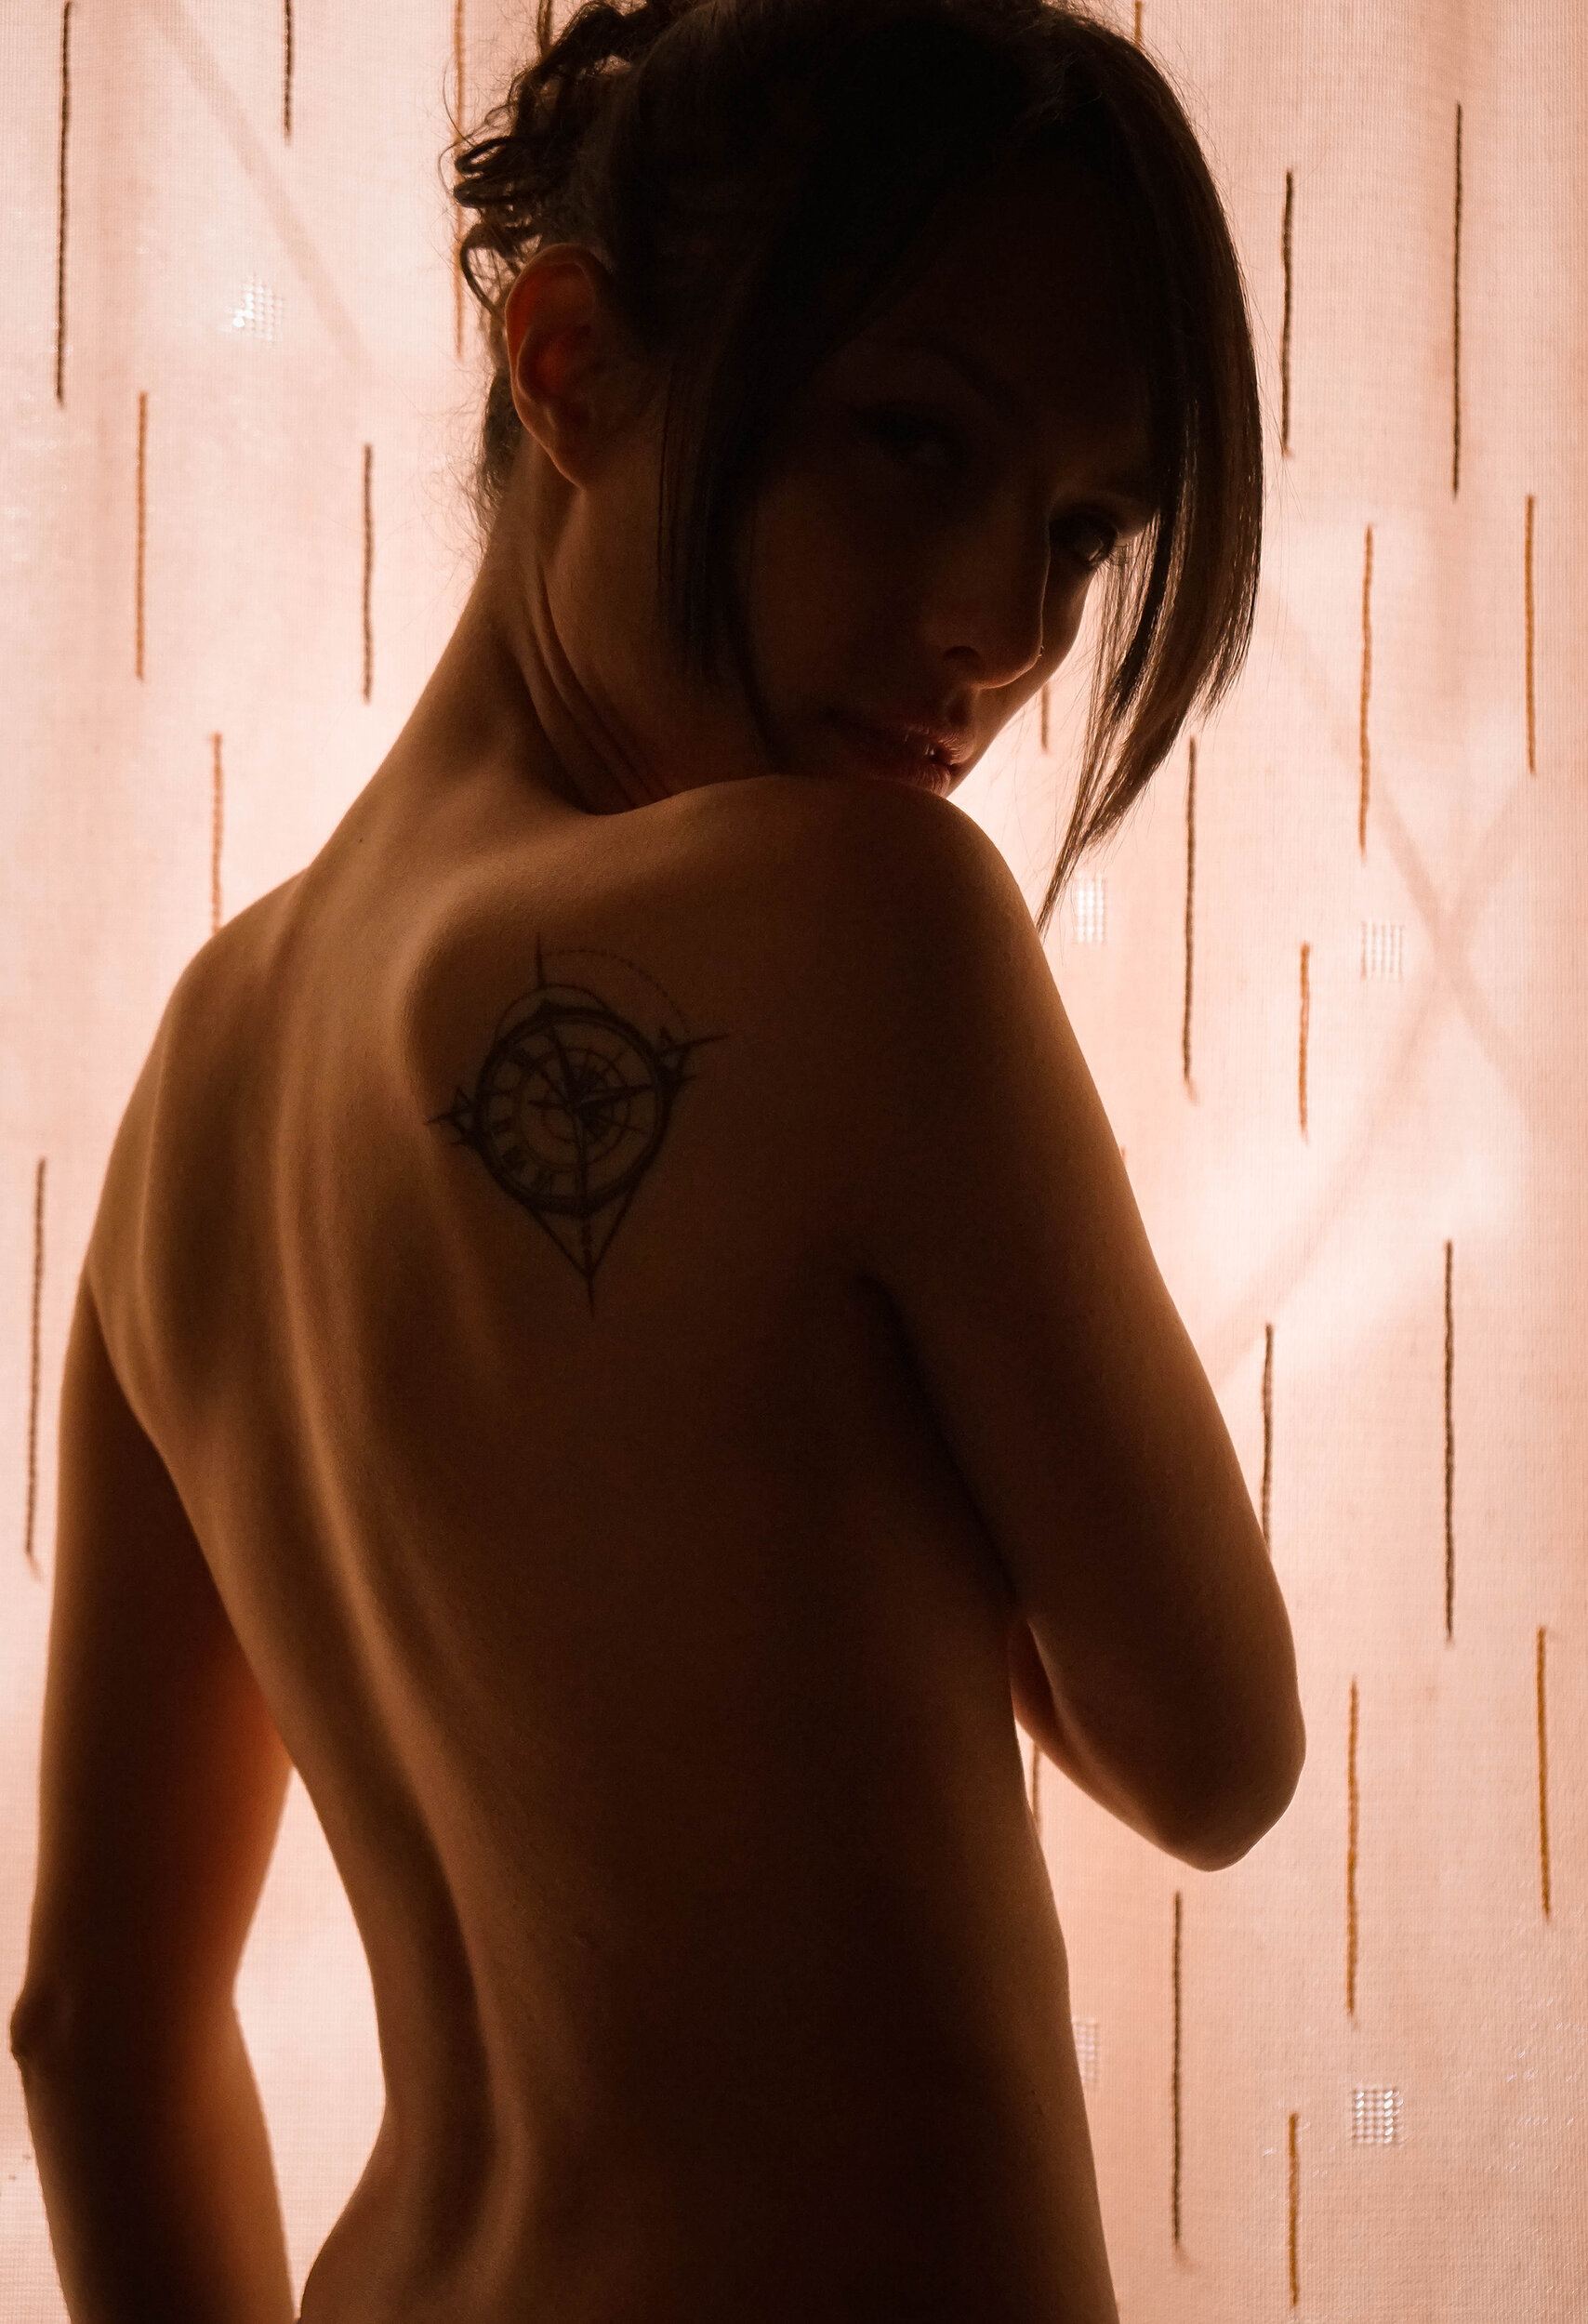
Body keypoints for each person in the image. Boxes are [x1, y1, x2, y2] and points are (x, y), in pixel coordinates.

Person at [14, 3, 1304, 2319]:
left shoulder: (200, 1078)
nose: (1000, 626)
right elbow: (1208, 1749)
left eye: (1078, 530)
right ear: (569, 364)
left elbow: (97, 2031)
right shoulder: (862, 926)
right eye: (914, 439)